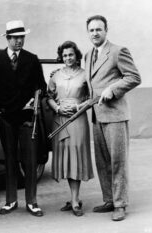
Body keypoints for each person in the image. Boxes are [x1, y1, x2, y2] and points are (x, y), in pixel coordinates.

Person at [0, 20, 47, 217]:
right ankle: (11, 200)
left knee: (29, 160)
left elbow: (41, 86)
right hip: (6, 117)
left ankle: (32, 202)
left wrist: (34, 101)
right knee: (10, 159)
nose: (19, 40)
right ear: (8, 38)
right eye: (15, 37)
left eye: (22, 37)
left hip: (27, 117)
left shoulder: (32, 59)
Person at [85, 15, 141, 221]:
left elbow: (134, 77)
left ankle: (120, 204)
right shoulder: (87, 55)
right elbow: (89, 84)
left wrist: (113, 90)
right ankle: (109, 199)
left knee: (118, 161)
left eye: (99, 29)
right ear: (88, 32)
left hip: (115, 115)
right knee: (102, 161)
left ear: (106, 30)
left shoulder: (118, 51)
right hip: (97, 116)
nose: (95, 33)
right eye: (91, 30)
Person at [47, 41, 94, 217]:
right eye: (65, 55)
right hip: (59, 120)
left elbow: (91, 98)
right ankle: (73, 197)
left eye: (71, 55)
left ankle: (75, 200)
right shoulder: (55, 75)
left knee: (75, 156)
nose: (68, 58)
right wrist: (57, 108)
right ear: (61, 57)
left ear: (77, 56)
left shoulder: (85, 75)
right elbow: (49, 97)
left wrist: (77, 107)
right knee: (66, 158)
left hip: (77, 119)